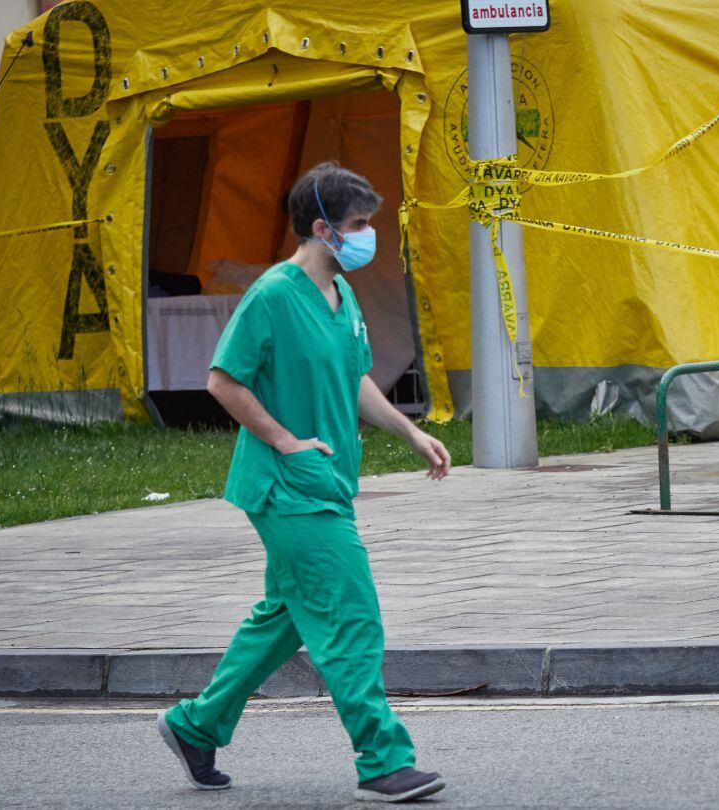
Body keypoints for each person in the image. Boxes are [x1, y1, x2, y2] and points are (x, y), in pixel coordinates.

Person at [156, 162, 451, 803]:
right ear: (321, 228)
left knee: (286, 616)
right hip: (286, 487)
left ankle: (195, 725)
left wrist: (410, 433)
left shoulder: (341, 299)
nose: (368, 235)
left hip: (329, 485)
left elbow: (353, 379)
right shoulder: (273, 295)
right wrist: (286, 440)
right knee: (351, 616)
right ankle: (383, 761)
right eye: (358, 224)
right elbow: (222, 381)